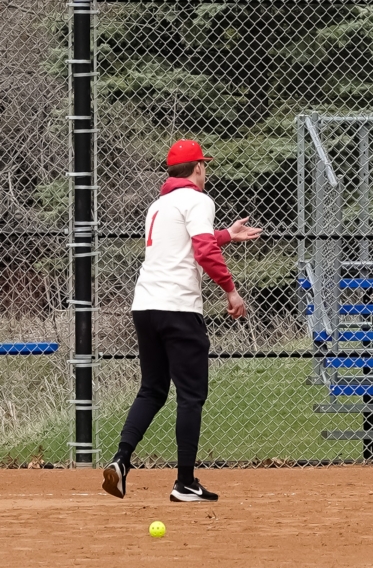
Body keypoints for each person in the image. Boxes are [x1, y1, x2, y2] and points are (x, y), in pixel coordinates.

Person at [101, 139, 261, 502]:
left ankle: (121, 460)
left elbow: (187, 242)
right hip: (179, 308)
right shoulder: (199, 199)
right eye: (205, 165)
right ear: (199, 168)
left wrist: (227, 236)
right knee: (191, 394)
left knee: (153, 389)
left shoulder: (159, 204)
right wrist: (231, 291)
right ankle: (185, 482)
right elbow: (202, 250)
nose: (206, 171)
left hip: (145, 306)